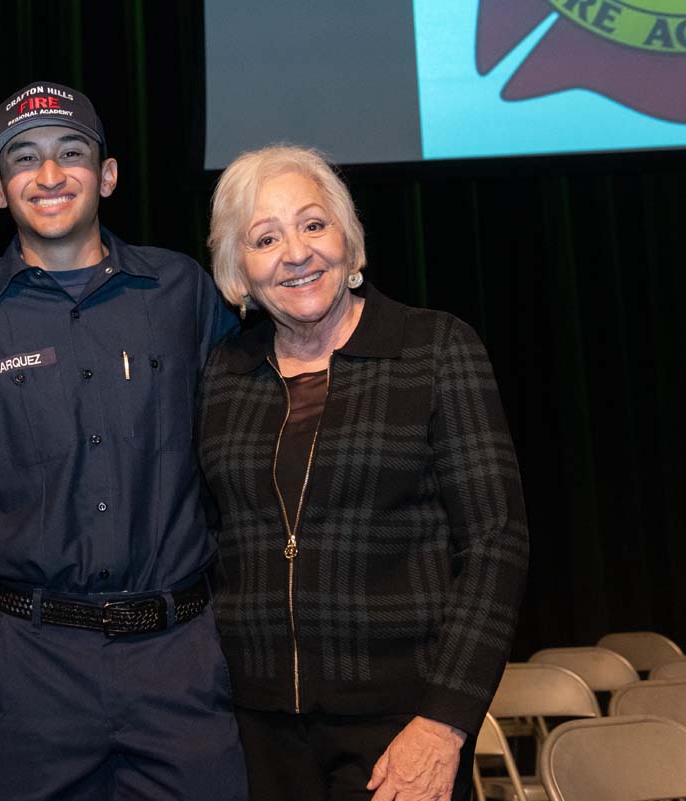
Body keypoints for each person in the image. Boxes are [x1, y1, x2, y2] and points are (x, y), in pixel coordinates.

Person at [0, 80, 248, 801]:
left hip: (180, 657)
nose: (48, 175)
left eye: (71, 153)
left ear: (107, 175)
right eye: (24, 159)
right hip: (35, 665)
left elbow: (242, 439)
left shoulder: (182, 291)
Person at [198, 144, 529, 801]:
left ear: (349, 240)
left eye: (314, 224)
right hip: (254, 732)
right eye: (266, 237)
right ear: (239, 270)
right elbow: (189, 527)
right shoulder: (222, 373)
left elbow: (497, 543)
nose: (296, 252)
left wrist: (443, 721)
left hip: (401, 725)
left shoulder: (432, 347)